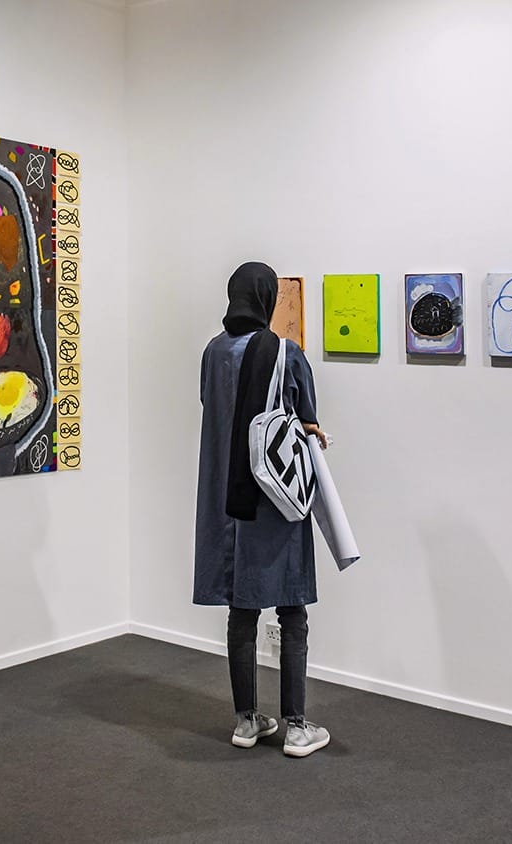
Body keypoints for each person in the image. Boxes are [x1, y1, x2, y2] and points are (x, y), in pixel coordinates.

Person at [194, 261, 331, 758]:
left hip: (229, 500)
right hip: (275, 498)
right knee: (291, 609)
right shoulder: (285, 353)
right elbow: (307, 419)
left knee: (241, 610)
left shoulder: (212, 352)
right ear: (268, 298)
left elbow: (213, 410)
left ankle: (246, 721)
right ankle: (296, 726)